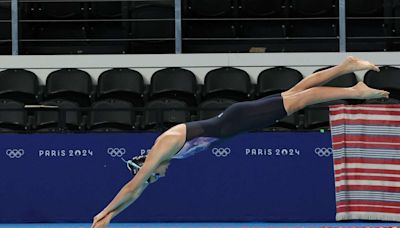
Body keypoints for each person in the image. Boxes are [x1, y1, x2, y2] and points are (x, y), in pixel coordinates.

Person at [91, 56, 389, 228]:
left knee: (301, 100)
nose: (158, 177)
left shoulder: (164, 145)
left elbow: (133, 186)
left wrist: (102, 213)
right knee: (296, 92)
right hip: (238, 120)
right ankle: (345, 66)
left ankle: (357, 90)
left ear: (147, 163)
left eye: (154, 175)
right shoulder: (165, 155)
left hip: (238, 119)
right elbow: (139, 188)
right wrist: (112, 218)